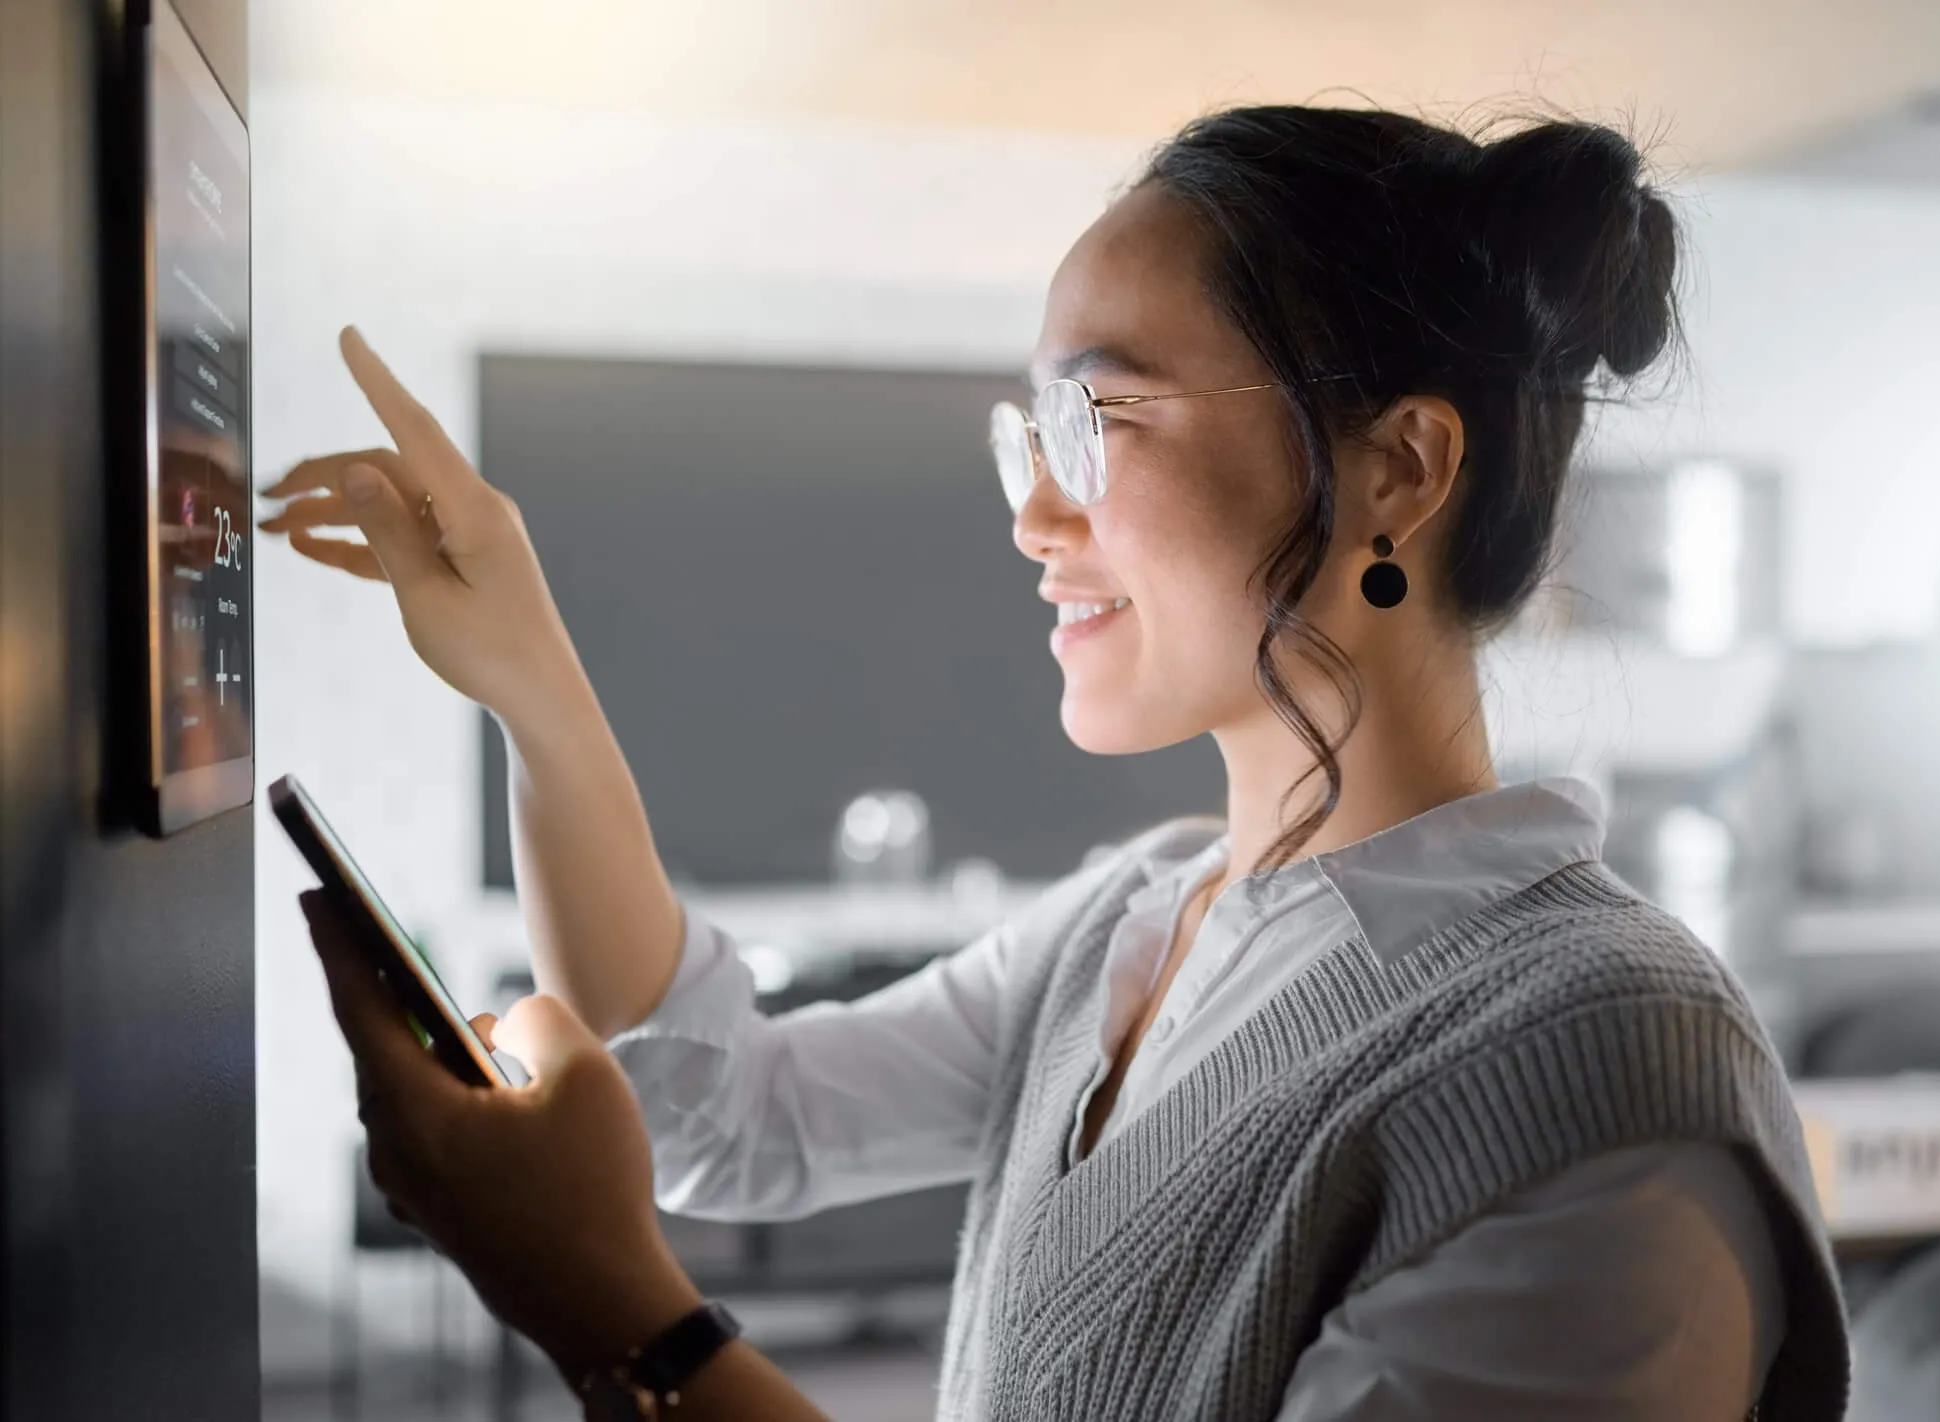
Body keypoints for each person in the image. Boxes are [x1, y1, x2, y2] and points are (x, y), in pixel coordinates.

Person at [265, 105, 1851, 1421]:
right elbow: (721, 1105)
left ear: (1398, 467)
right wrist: (531, 677)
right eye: (1031, 439)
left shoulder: (1600, 1080)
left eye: (1096, 419)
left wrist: (613, 1307)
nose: (1033, 515)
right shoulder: (1131, 923)